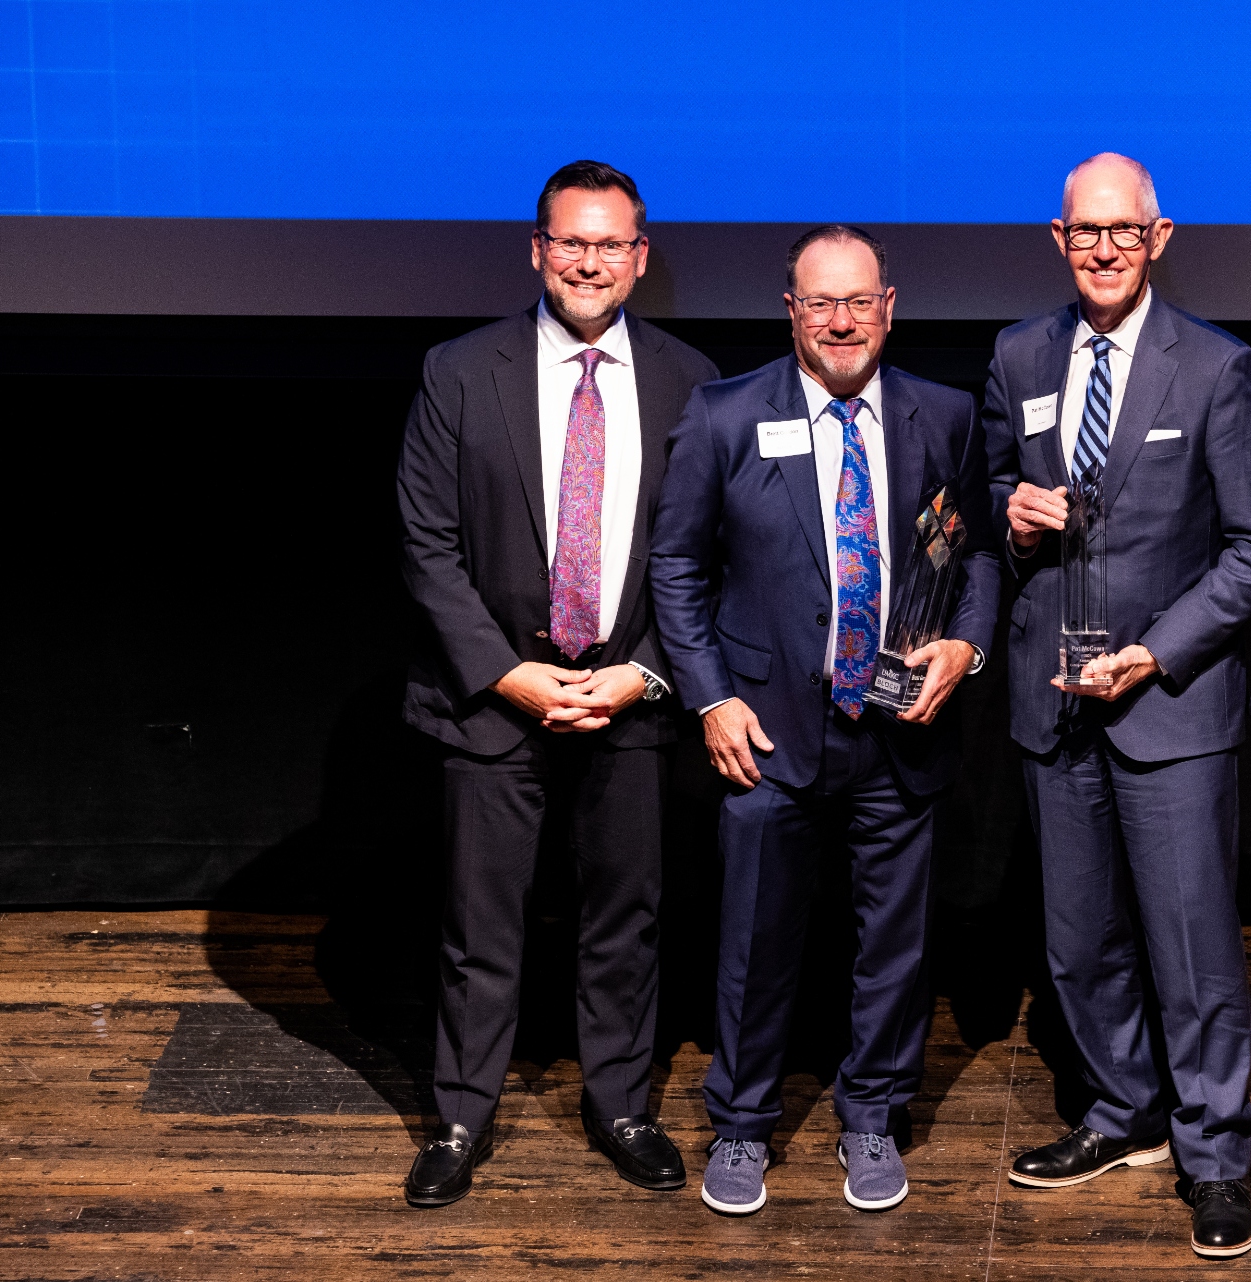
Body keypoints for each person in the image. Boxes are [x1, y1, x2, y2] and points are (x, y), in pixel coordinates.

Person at [983, 153, 1251, 1259]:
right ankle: (1122, 1114)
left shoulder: (1216, 369)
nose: (1105, 249)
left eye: (1125, 231)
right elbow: (988, 494)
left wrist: (1156, 653)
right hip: (1048, 700)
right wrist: (1010, 512)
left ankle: (1214, 1151)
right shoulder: (1018, 355)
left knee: (1191, 947)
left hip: (1167, 704)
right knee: (1075, 945)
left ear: (1158, 239)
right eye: (1085, 232)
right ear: (1056, 238)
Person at [649, 225, 1000, 1216]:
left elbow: (972, 557)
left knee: (894, 943)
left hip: (902, 725)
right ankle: (743, 1124)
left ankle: (873, 1113)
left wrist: (965, 650)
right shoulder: (722, 416)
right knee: (756, 942)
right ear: (789, 311)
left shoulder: (944, 414)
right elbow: (675, 567)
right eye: (819, 304)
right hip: (765, 735)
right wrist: (711, 696)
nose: (840, 322)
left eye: (859, 302)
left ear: (888, 306)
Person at [395, 160, 718, 1208]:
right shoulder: (458, 370)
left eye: (610, 244)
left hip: (628, 695)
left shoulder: (690, 380)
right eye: (570, 242)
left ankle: (621, 1103)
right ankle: (457, 1113)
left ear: (639, 257)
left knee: (624, 916)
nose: (589, 261)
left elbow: (709, 554)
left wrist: (646, 673)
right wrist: (505, 673)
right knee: (476, 924)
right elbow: (426, 546)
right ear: (537, 249)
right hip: (493, 701)